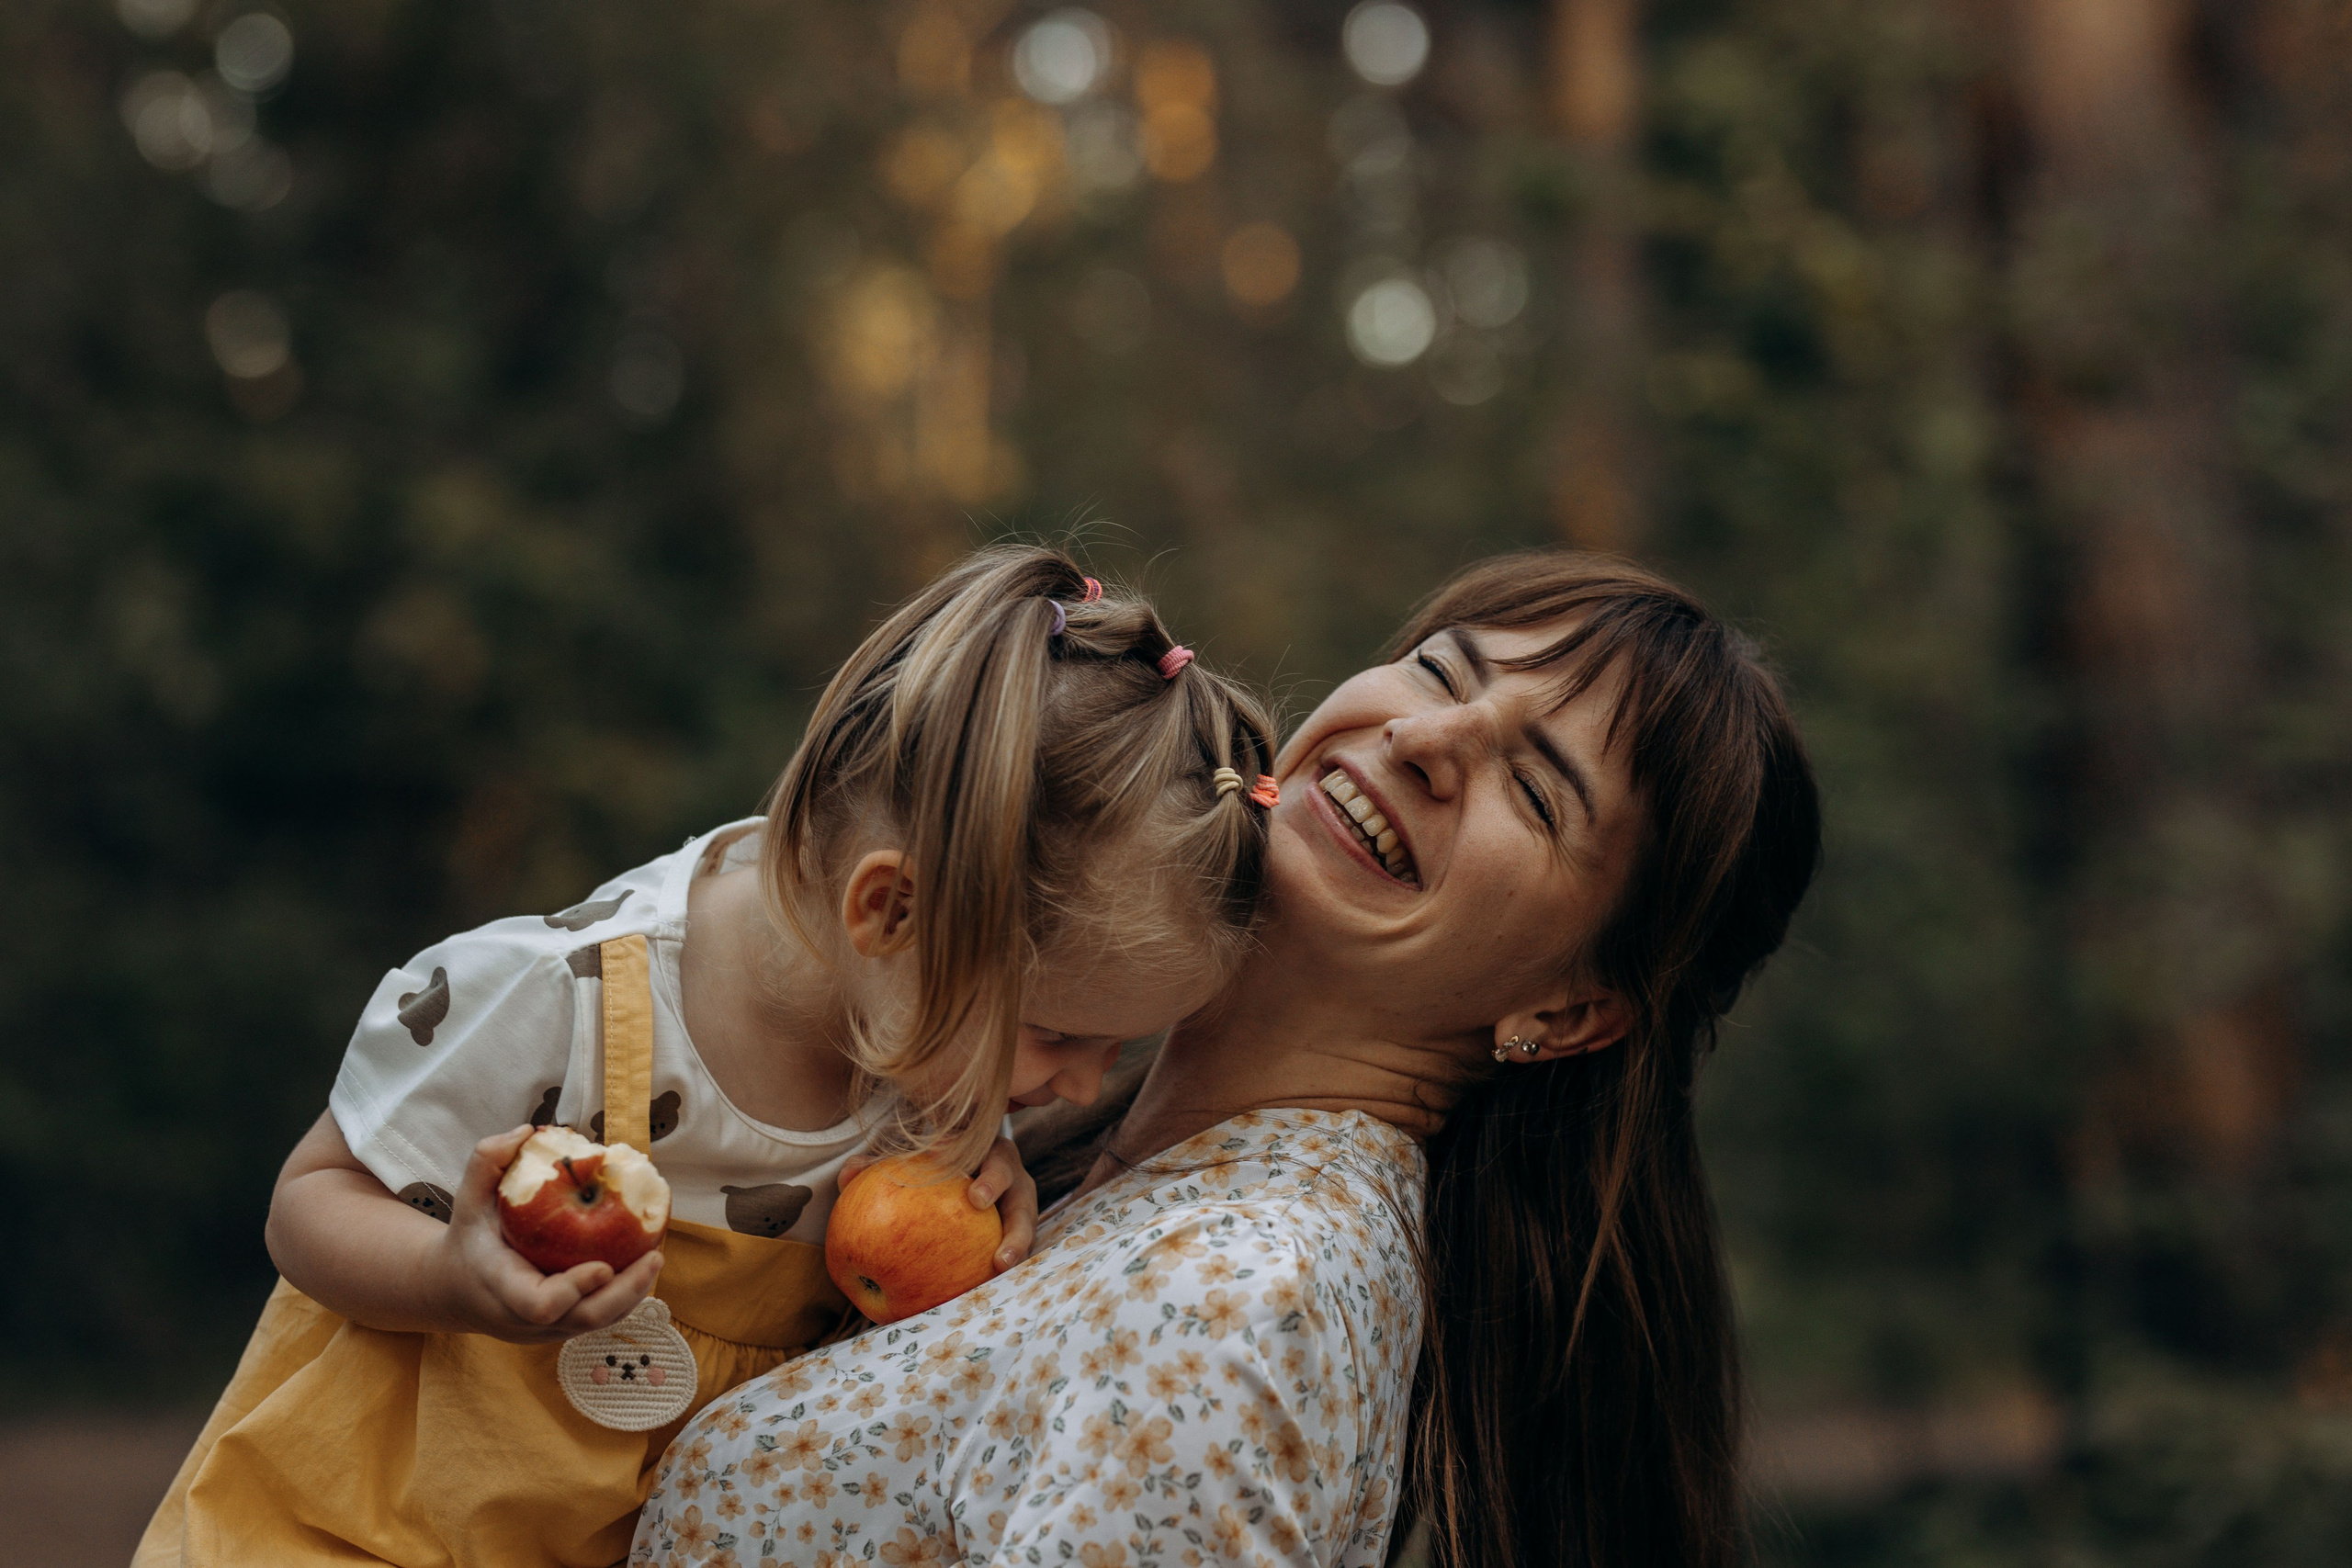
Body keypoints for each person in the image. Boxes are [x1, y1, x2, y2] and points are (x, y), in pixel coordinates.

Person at [630, 549, 1822, 1568]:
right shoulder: (1051, 1160)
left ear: (1571, 1010)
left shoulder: (1238, 1297)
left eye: (1537, 788)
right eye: (1444, 668)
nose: (1423, 734)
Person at [135, 546, 1282, 1568]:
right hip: (337, 1534)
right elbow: (307, 1201)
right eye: (1061, 1036)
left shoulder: (916, 1064)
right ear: (889, 913)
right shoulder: (554, 997)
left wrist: (975, 1198)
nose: (1080, 1088)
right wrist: (452, 1279)